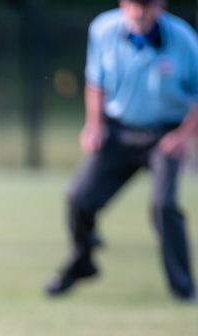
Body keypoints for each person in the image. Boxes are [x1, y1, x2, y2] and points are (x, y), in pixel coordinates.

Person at [46, 0, 198, 301]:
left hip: (164, 135)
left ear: (160, 5)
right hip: (118, 131)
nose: (140, 11)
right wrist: (94, 125)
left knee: (164, 205)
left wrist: (183, 135)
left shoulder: (183, 39)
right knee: (79, 198)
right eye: (134, 4)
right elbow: (95, 81)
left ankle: (183, 288)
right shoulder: (103, 29)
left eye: (147, 4)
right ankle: (82, 261)